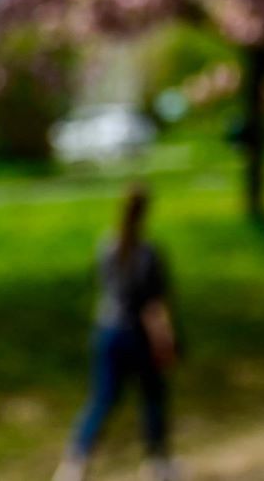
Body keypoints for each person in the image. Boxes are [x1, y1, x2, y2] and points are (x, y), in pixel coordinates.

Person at [56, 184, 178, 481]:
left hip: (107, 330)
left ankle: (75, 461)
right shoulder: (149, 253)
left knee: (102, 398)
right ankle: (157, 462)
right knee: (152, 397)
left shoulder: (106, 246)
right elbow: (153, 305)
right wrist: (165, 340)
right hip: (139, 335)